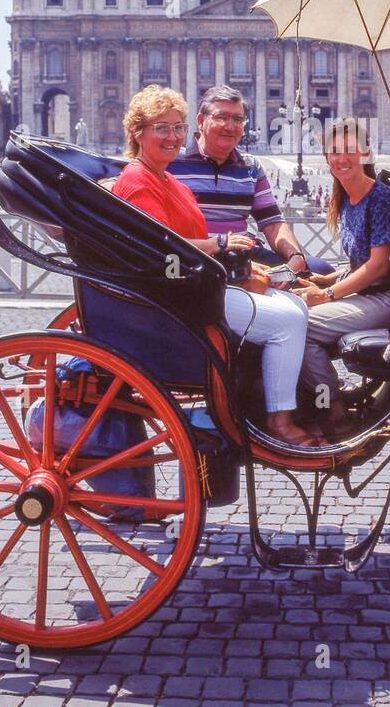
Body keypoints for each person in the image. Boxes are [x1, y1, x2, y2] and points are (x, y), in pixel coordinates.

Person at [111, 86, 318, 449]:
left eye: (177, 128)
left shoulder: (166, 178)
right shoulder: (142, 179)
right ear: (138, 132)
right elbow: (160, 245)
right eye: (162, 128)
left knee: (297, 300)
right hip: (179, 294)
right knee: (287, 320)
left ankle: (305, 393)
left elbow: (264, 222)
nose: (173, 137)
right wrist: (222, 246)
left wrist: (251, 264)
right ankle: (279, 420)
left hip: (202, 278)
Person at [293, 118, 390, 438]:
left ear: (366, 154)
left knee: (302, 325)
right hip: (370, 292)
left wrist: (328, 296)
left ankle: (333, 410)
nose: (342, 158)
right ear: (326, 158)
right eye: (334, 151)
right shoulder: (343, 198)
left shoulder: (381, 197)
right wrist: (327, 281)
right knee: (295, 307)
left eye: (349, 150)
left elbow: (379, 267)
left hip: (388, 297)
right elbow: (359, 262)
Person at [168, 85, 328, 274]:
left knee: (320, 269)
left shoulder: (251, 166)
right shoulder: (171, 162)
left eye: (237, 119)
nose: (230, 126)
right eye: (221, 117)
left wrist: (295, 257)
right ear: (201, 121)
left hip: (243, 255)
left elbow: (272, 222)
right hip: (193, 258)